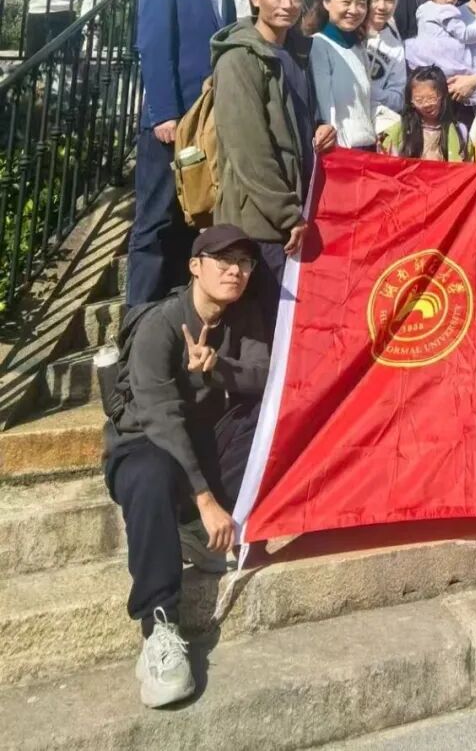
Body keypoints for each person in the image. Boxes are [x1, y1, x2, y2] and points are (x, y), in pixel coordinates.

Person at [103, 223, 269, 707]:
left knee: (265, 419)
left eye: (244, 262)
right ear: (195, 266)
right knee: (151, 472)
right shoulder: (160, 324)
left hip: (200, 443)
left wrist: (217, 367)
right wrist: (205, 498)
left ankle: (191, 531)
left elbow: (264, 376)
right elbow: (161, 418)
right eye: (223, 260)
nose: (235, 271)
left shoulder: (244, 315)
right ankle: (158, 626)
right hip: (143, 445)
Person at [211, 0, 335, 324]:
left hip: (293, 211)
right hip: (258, 219)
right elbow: (247, 148)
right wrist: (286, 214)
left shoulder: (296, 54)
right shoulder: (239, 58)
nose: (287, 4)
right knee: (258, 328)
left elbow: (297, 120)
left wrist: (321, 128)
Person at [128, 0, 237, 308]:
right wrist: (164, 112)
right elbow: (154, 46)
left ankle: (173, 314)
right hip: (170, 122)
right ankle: (137, 316)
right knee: (155, 220)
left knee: (190, 215)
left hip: (204, 127)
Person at [307, 0, 377, 150]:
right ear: (327, 3)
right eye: (346, 2)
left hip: (367, 147)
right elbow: (325, 105)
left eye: (361, 4)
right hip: (340, 151)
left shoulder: (359, 48)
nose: (354, 10)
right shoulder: (319, 44)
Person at [382, 66, 470, 162]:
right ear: (411, 101)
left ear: (443, 95)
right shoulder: (398, 131)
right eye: (419, 100)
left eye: (432, 98)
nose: (426, 104)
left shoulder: (460, 131)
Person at [363, 0, 408, 114]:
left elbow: (398, 99)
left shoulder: (396, 46)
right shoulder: (349, 32)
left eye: (389, 0)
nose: (382, 7)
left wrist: (368, 91)